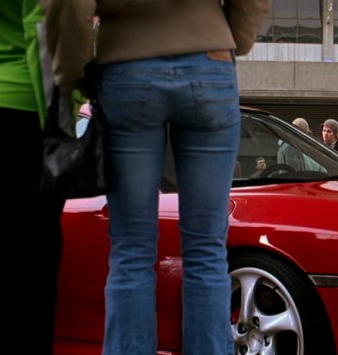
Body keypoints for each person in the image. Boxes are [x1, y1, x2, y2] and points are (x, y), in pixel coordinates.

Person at [43, 0, 272, 353]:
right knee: (208, 250)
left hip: (126, 63)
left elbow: (71, 3)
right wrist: (234, 37)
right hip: (209, 59)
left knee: (130, 250)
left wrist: (73, 69)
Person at [0, 1, 68, 353]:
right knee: (26, 246)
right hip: (23, 104)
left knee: (24, 240)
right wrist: (59, 120)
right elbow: (39, 30)